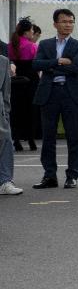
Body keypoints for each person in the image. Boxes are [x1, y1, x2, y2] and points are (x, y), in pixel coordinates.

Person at [32, 9, 78, 190]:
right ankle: (49, 175)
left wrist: (51, 66)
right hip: (49, 93)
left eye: (71, 22)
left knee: (74, 136)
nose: (68, 25)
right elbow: (36, 64)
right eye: (64, 21)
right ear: (55, 23)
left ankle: (72, 175)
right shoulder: (45, 44)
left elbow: (76, 67)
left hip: (71, 94)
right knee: (48, 136)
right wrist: (58, 62)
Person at [8, 19, 38, 151]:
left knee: (15, 111)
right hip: (30, 80)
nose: (33, 32)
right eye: (32, 30)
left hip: (15, 81)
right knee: (30, 111)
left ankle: (16, 140)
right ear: (26, 32)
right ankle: (31, 140)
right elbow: (37, 64)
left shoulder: (10, 45)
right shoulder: (32, 46)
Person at [0, 47, 21, 196]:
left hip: (1, 113)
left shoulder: (3, 61)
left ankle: (5, 181)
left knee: (6, 142)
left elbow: (6, 91)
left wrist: (6, 113)